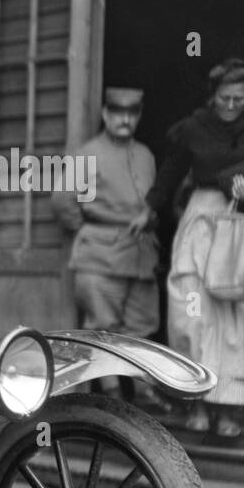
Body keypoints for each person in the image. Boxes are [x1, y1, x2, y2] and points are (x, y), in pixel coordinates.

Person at [131, 57, 244, 437]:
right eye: (226, 98)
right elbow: (170, 174)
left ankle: (227, 408)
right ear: (213, 96)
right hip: (200, 225)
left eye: (240, 100)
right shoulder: (193, 129)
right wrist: (147, 209)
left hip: (239, 229)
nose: (232, 107)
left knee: (232, 320)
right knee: (190, 311)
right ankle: (195, 401)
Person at [51, 87, 171, 412]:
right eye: (118, 112)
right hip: (100, 256)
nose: (125, 119)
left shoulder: (145, 154)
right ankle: (113, 396)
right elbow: (63, 201)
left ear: (139, 116)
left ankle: (144, 393)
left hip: (141, 254)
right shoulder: (86, 153)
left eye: (132, 114)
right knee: (103, 328)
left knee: (141, 326)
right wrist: (94, 229)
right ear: (105, 114)